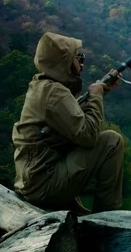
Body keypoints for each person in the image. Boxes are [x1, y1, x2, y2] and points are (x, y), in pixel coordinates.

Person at [12, 32, 124, 215]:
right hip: (44, 186)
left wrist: (101, 91)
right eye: (78, 57)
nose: (81, 62)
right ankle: (108, 218)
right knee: (112, 141)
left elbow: (73, 119)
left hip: (33, 183)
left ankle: (83, 212)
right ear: (63, 61)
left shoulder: (42, 87)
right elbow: (88, 135)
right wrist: (95, 96)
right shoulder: (55, 93)